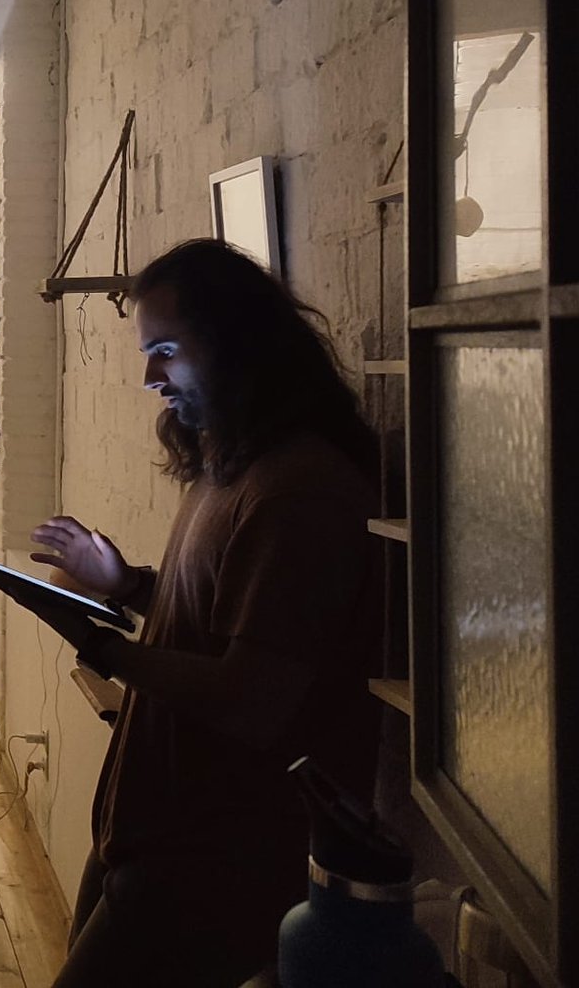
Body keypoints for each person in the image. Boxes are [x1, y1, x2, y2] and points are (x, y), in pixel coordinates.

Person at [24, 239, 381, 988]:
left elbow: (252, 698)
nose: (150, 376)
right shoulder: (236, 465)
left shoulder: (298, 489)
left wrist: (98, 642)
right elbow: (217, 626)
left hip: (211, 864)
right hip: (157, 843)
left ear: (236, 345)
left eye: (165, 350)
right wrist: (122, 584)